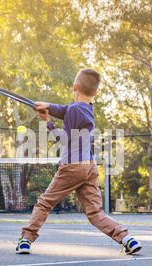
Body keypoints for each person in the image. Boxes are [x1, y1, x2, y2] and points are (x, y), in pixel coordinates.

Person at [15, 68, 141, 255]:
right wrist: (47, 105)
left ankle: (26, 240)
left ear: (74, 87)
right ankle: (126, 238)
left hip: (72, 166)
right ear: (95, 93)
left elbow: (63, 139)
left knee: (44, 203)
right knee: (95, 212)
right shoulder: (86, 109)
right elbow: (65, 109)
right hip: (89, 167)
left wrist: (48, 122)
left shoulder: (74, 110)